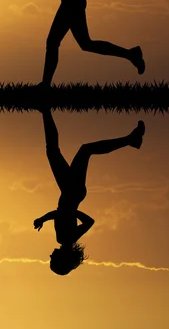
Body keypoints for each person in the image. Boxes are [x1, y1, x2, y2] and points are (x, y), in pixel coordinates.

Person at [34, 109, 145, 275]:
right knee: (73, 150)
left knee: (58, 151)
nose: (50, 255)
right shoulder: (67, 238)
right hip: (72, 191)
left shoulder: (65, 239)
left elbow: (59, 214)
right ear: (62, 258)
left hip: (70, 191)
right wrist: (72, 211)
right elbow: (89, 221)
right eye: (52, 259)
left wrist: (50, 216)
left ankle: (45, 111)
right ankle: (130, 140)